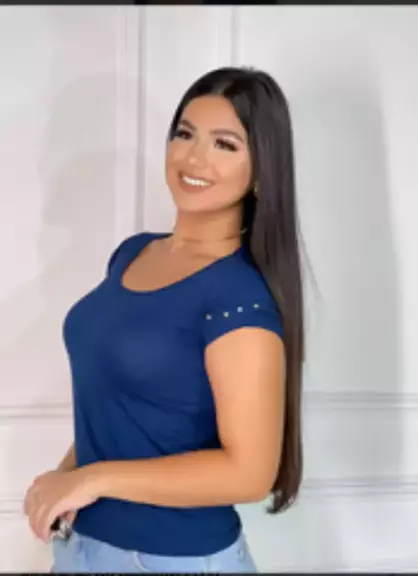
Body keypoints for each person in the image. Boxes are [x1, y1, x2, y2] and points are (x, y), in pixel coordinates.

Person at [23, 66, 305, 573]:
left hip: (172, 559)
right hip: (83, 546)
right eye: (185, 134)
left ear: (262, 172)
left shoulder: (237, 297)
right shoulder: (132, 254)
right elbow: (119, 406)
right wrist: (65, 479)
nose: (194, 158)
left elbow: (249, 473)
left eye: (225, 144)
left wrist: (90, 480)